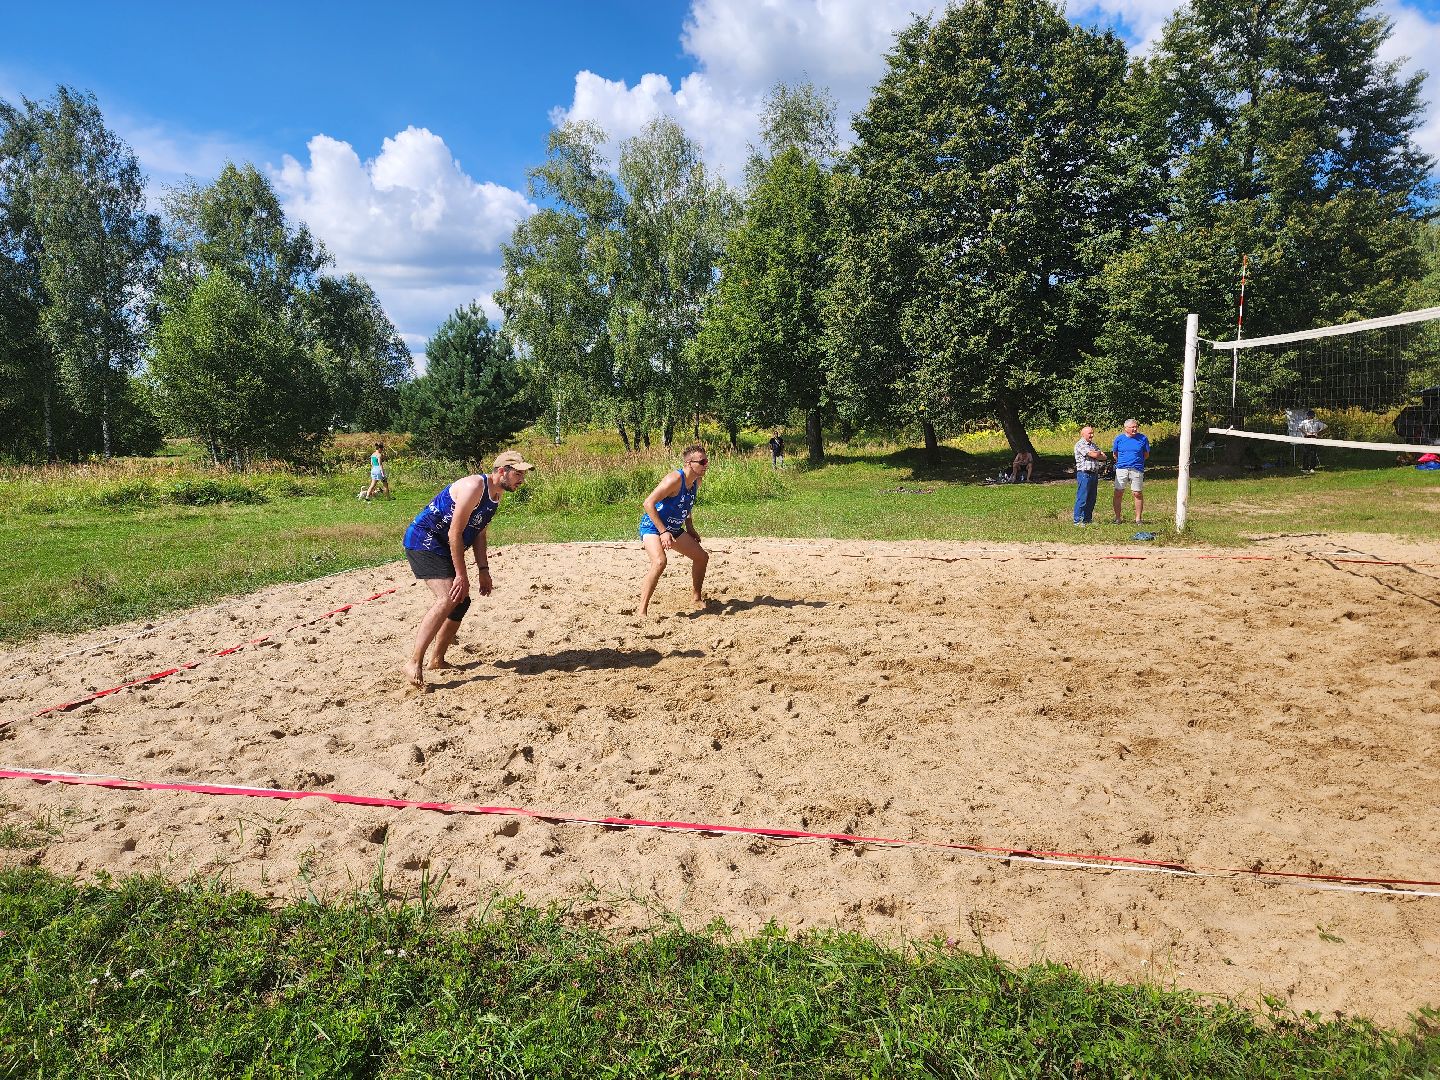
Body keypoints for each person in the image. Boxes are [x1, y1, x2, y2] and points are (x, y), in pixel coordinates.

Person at [401, 449, 534, 688]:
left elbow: (479, 534)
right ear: (502, 471)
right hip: (424, 540)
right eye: (519, 474)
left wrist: (483, 569)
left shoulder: (495, 496)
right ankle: (414, 661)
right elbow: (455, 532)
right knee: (447, 598)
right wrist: (462, 575)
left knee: (460, 601)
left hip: (443, 544)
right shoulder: (474, 486)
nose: (522, 479)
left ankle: (437, 660)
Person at [638, 444, 710, 616]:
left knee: (701, 557)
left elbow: (687, 505)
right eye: (702, 461)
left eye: (706, 461)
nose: (706, 464)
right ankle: (641, 611)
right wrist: (663, 532)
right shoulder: (674, 479)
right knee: (660, 562)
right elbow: (648, 503)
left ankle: (696, 598)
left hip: (674, 528)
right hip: (654, 527)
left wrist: (690, 527)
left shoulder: (696, 481)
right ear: (688, 463)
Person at [1111, 418, 1150, 524]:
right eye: (1132, 427)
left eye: (1136, 427)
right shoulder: (1119, 439)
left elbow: (1146, 454)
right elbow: (1115, 454)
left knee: (1137, 493)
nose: (1135, 429)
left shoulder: (1143, 438)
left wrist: (1137, 461)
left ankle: (1138, 518)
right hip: (1122, 468)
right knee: (1118, 492)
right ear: (1126, 428)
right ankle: (1117, 518)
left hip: (1137, 469)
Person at [1072, 427, 1106, 525]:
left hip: (1094, 474)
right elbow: (1095, 455)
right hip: (1084, 474)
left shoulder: (1093, 445)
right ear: (1083, 434)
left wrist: (1097, 453)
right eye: (1089, 433)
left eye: (1092, 433)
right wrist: (1097, 453)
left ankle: (1087, 519)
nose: (1091, 435)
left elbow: (1104, 457)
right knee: (1082, 497)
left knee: (1092, 498)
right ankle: (1077, 520)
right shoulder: (1080, 444)